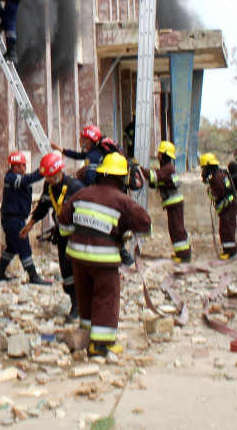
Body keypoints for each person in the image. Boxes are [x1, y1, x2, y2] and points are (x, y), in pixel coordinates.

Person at [57, 152, 152, 357]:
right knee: (106, 297)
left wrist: (76, 235)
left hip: (77, 257)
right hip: (103, 259)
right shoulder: (122, 200)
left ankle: (88, 333)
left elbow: (63, 222)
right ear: (124, 178)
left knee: (85, 295)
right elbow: (145, 224)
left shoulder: (82, 193)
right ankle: (101, 345)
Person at [53, 126, 134, 267]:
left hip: (102, 196)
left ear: (88, 140)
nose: (80, 140)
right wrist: (61, 150)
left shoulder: (92, 156)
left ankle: (124, 256)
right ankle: (123, 256)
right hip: (110, 192)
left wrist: (81, 192)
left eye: (82, 138)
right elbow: (79, 155)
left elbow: (89, 178)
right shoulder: (94, 152)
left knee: (104, 226)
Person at [20, 152, 84, 321]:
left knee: (79, 267)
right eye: (45, 177)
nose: (47, 180)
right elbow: (43, 207)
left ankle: (83, 304)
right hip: (63, 234)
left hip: (79, 235)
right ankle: (75, 302)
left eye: (49, 176)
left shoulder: (75, 187)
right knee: (66, 269)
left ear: (58, 172)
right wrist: (29, 225)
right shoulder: (49, 188)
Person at [0, 151, 51, 285]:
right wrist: (43, 170)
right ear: (16, 166)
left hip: (15, 219)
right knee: (24, 247)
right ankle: (33, 276)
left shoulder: (15, 177)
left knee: (12, 248)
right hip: (13, 220)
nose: (25, 168)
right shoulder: (12, 178)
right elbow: (26, 180)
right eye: (23, 165)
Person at [146, 141, 191, 263]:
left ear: (164, 154)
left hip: (174, 203)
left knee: (176, 229)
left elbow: (153, 177)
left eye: (160, 151)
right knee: (178, 228)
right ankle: (185, 252)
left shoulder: (167, 168)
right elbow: (156, 183)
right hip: (173, 203)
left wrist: (140, 170)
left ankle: (183, 255)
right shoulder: (166, 168)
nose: (158, 154)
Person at [199, 152, 237, 261]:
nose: (203, 171)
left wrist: (209, 191)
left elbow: (216, 194)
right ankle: (229, 250)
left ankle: (230, 252)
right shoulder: (221, 173)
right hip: (229, 205)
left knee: (226, 229)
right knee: (227, 228)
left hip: (228, 206)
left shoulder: (217, 177)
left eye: (204, 168)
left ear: (208, 166)